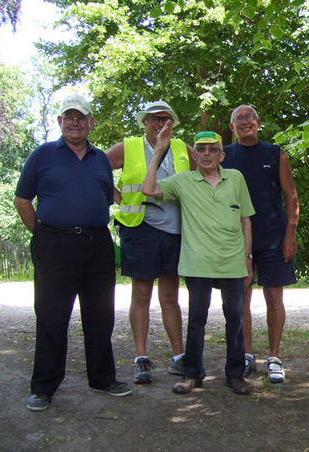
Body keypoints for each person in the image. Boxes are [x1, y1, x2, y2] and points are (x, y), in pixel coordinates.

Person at [13, 94, 132, 411]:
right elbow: (22, 200)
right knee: (51, 318)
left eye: (81, 117)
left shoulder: (101, 160)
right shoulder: (42, 156)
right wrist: (40, 233)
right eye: (69, 117)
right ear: (60, 122)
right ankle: (43, 388)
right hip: (55, 245)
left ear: (91, 123)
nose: (75, 122)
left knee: (101, 316)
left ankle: (104, 378)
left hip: (97, 246)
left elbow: (109, 198)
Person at [142, 124, 255, 396]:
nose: (206, 154)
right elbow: (148, 189)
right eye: (201, 150)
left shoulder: (236, 178)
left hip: (232, 263)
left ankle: (235, 374)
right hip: (198, 263)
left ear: (221, 155)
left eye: (213, 150)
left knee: (235, 319)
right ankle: (193, 375)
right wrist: (158, 150)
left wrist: (248, 260)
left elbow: (246, 221)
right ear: (195, 155)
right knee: (196, 320)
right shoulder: (183, 182)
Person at [106, 101, 195, 385]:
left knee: (170, 297)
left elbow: (209, 167)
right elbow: (96, 168)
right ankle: (141, 359)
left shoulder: (182, 148)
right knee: (141, 295)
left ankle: (179, 357)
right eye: (155, 120)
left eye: (166, 120)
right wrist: (118, 197)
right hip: (140, 228)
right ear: (144, 122)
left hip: (175, 231)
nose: (160, 124)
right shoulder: (129, 146)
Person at [222, 105, 299, 383]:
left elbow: (291, 196)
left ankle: (275, 358)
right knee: (241, 296)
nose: (245, 122)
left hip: (273, 237)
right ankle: (246, 356)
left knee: (274, 297)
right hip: (236, 240)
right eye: (239, 119)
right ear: (232, 127)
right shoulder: (223, 155)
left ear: (258, 122)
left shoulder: (275, 153)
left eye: (250, 117)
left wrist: (290, 234)